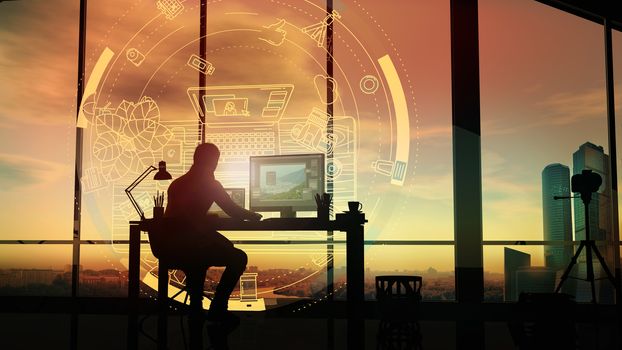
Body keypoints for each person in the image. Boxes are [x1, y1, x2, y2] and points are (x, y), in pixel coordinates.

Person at [164, 143, 262, 321]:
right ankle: (218, 307)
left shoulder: (177, 183)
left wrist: (205, 220)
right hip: (193, 246)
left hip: (172, 247)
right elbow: (233, 210)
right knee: (238, 257)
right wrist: (255, 216)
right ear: (213, 162)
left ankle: (197, 307)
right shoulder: (210, 184)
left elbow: (185, 215)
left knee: (212, 251)